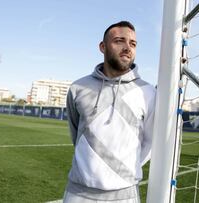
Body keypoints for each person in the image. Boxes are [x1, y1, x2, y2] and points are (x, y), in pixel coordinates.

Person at [64, 21, 156, 203]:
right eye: (119, 41)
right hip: (78, 194)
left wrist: (122, 173)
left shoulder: (148, 92)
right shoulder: (78, 87)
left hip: (125, 196)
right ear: (102, 46)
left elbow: (150, 143)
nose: (127, 47)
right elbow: (77, 134)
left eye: (133, 43)